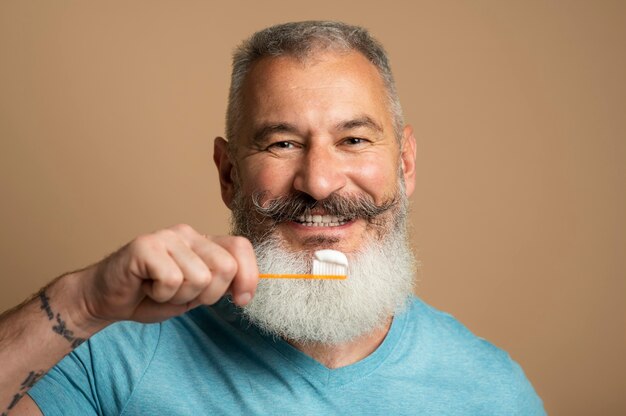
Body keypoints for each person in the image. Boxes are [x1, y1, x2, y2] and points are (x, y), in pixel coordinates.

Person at [0, 21, 545, 415]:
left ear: (404, 163)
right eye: (282, 143)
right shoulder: (114, 351)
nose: (319, 182)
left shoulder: (491, 391)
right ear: (229, 174)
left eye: (353, 140)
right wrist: (82, 301)